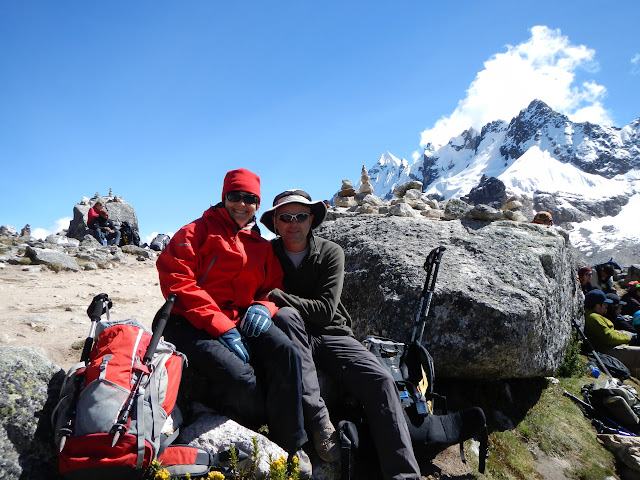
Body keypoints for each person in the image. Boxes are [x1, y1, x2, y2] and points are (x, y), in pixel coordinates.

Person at [155, 169, 313, 477]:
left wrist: (264, 307)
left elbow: (272, 286)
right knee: (242, 378)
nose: (242, 204)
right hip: (188, 320)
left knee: (287, 353)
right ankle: (245, 427)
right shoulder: (195, 232)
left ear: (258, 204)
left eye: (250, 199)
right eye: (235, 196)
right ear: (223, 197)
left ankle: (292, 443)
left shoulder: (260, 245)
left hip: (240, 319)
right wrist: (221, 325)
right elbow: (177, 281)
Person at [260, 189, 422, 480]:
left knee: (380, 379)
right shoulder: (265, 253)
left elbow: (325, 311)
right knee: (286, 317)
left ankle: (404, 475)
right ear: (275, 222)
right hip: (290, 332)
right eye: (285, 217)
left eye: (301, 216)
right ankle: (320, 422)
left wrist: (278, 296)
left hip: (331, 333)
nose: (293, 223)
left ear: (312, 219)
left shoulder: (330, 251)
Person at [583, 289, 640, 377]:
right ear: (597, 306)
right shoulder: (594, 318)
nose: (606, 306)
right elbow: (609, 337)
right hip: (609, 351)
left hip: (611, 349)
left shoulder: (593, 316)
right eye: (604, 304)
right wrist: (630, 338)